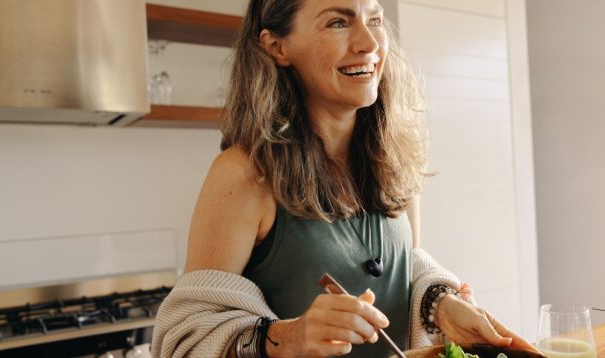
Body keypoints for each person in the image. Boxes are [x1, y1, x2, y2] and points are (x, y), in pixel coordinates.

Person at [151, 0, 539, 357]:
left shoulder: (396, 158)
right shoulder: (244, 172)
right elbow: (187, 335)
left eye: (374, 19)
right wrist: (288, 337)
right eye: (338, 22)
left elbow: (403, 266)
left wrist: (441, 303)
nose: (368, 42)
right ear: (277, 47)